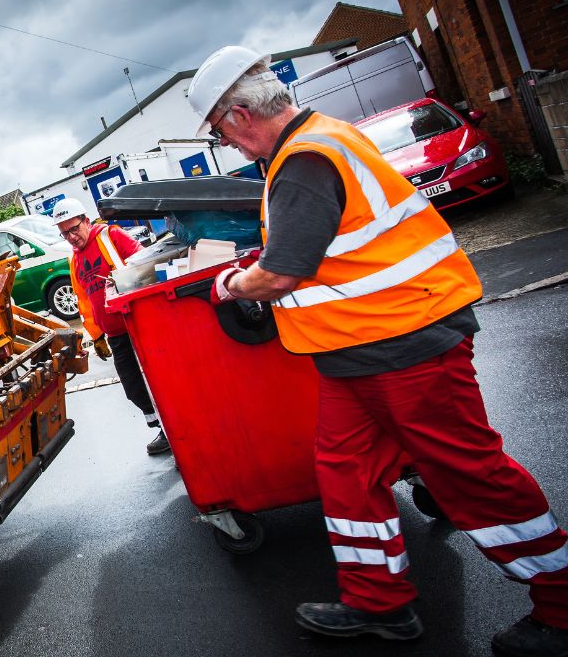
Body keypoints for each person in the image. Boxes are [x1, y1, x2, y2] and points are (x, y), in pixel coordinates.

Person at [192, 45, 568, 655]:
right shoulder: (321, 138)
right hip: (362, 353)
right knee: (345, 471)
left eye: (219, 130)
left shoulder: (305, 160)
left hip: (404, 346)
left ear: (239, 112)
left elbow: (284, 272)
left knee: (471, 477)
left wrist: (229, 283)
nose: (226, 143)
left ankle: (562, 604)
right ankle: (377, 602)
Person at [53, 197, 169, 455]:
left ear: (86, 220)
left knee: (162, 380)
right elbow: (84, 301)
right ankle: (162, 426)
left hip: (139, 322)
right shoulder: (75, 261)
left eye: (74, 228)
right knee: (132, 387)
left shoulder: (110, 236)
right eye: (65, 233)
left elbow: (145, 263)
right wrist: (96, 336)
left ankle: (175, 431)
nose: (71, 237)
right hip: (115, 333)